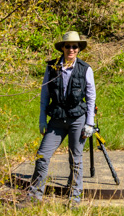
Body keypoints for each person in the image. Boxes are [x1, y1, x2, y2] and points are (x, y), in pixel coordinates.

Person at [26, 30, 97, 205]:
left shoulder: (86, 69)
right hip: (56, 120)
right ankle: (34, 197)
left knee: (76, 158)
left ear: (79, 49)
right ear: (62, 48)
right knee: (42, 156)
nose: (71, 49)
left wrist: (89, 123)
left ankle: (74, 197)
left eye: (75, 46)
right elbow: (44, 96)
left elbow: (90, 97)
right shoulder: (51, 67)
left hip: (77, 120)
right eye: (68, 46)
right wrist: (42, 120)